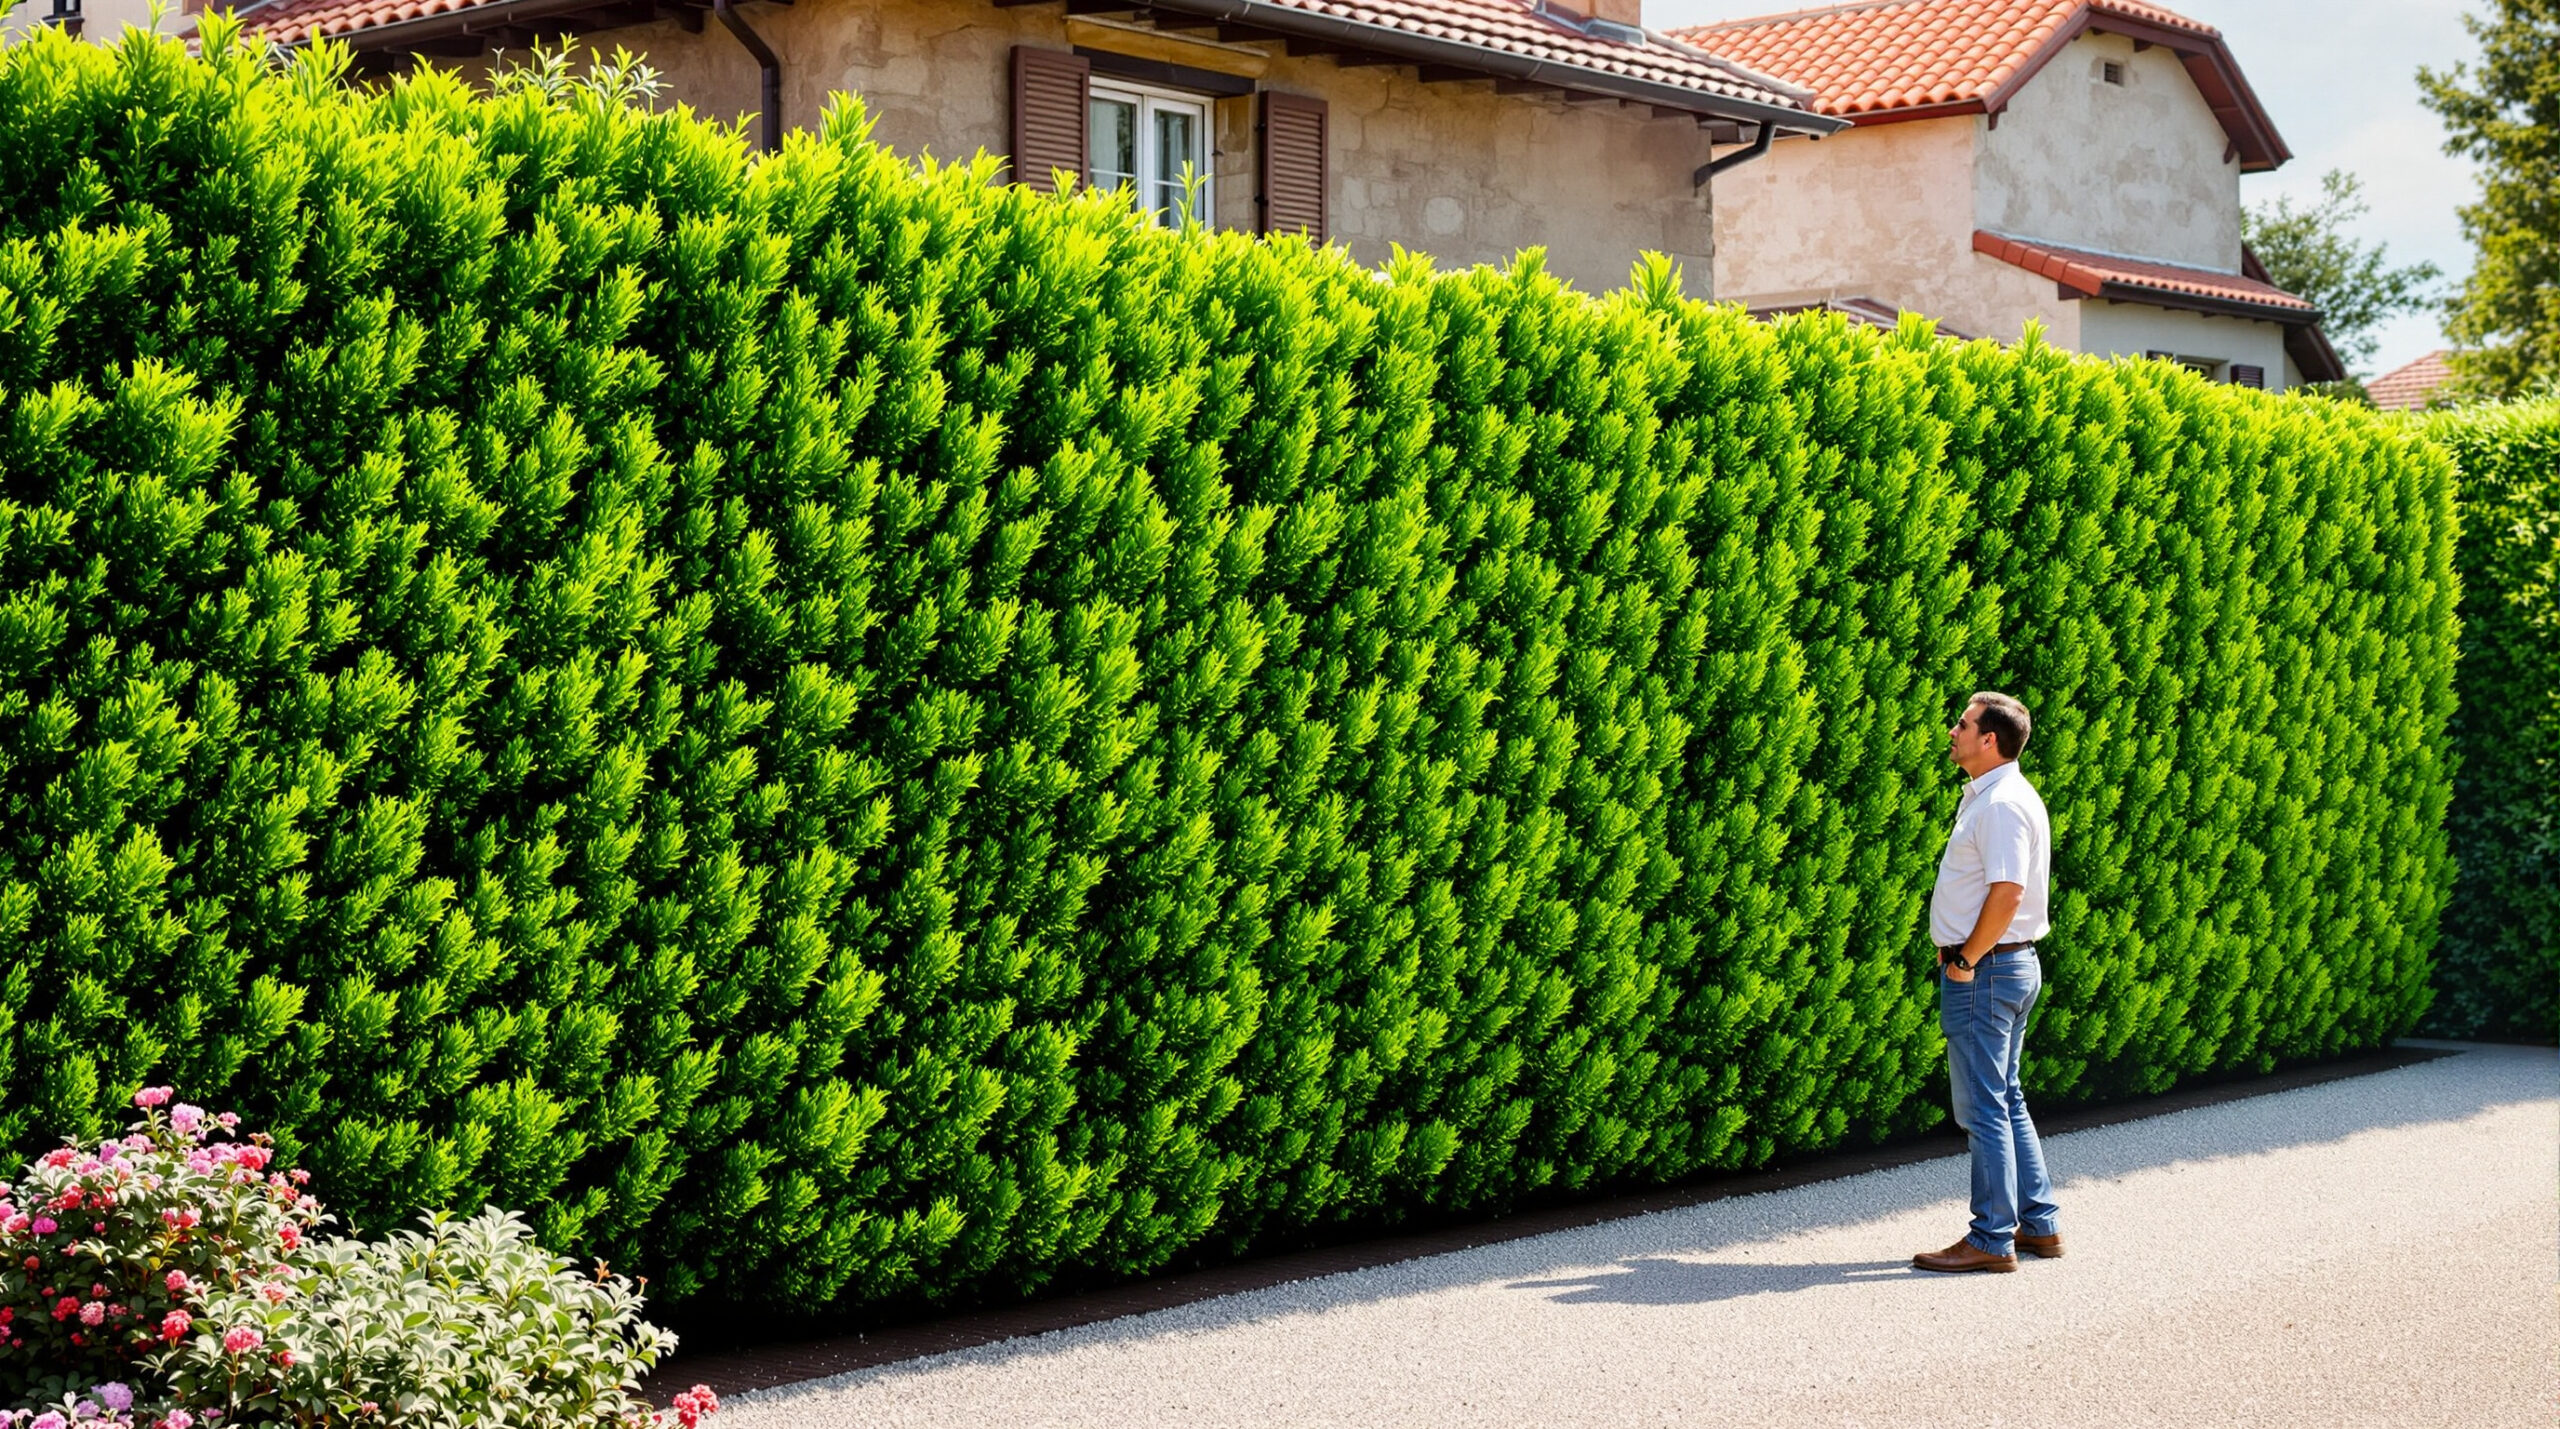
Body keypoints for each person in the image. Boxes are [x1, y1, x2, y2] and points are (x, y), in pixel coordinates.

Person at [1913, 691, 2062, 1274]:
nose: (1953, 731)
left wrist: (1967, 959)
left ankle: (1992, 1238)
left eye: (1963, 723)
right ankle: (2038, 1225)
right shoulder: (2001, 796)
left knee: (1983, 1108)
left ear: (1989, 739)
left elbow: (2007, 893)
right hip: (2008, 966)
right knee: (2006, 1096)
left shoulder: (2000, 804)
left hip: (1989, 968)